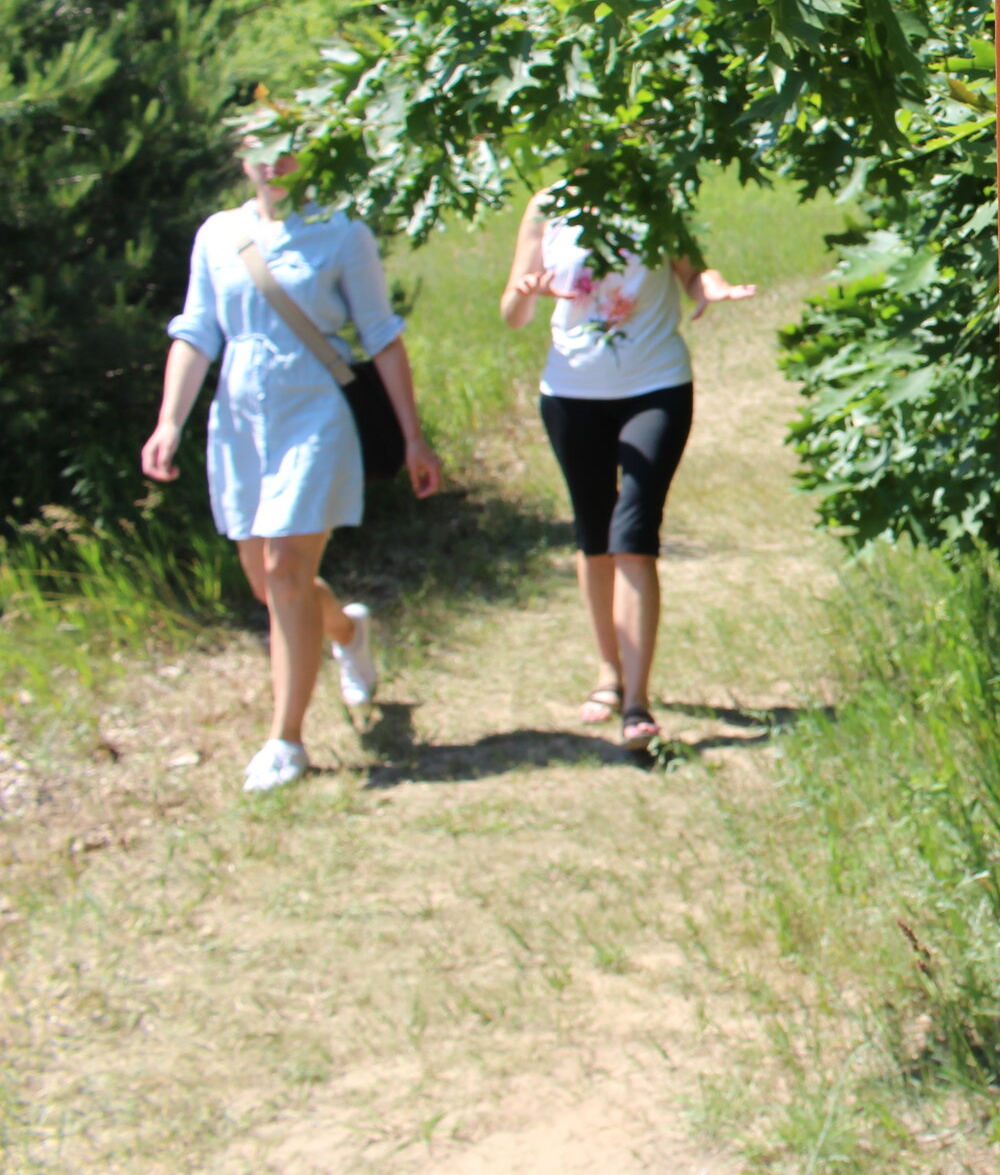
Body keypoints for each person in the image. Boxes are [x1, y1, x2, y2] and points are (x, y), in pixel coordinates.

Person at [141, 147, 443, 793]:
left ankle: (286, 740)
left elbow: (381, 334)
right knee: (270, 582)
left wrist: (414, 439)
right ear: (239, 157)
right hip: (240, 421)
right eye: (260, 151)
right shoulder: (219, 234)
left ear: (308, 153)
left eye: (287, 149)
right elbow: (196, 333)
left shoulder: (342, 232)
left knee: (285, 569)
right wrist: (169, 421)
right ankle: (347, 629)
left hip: (315, 411)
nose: (274, 164)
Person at [500, 192, 752, 751]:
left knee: (633, 534)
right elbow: (512, 312)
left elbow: (693, 272)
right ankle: (608, 674)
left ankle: (637, 704)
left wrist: (712, 288)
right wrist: (527, 294)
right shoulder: (547, 206)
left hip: (655, 387)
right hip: (571, 392)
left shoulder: (656, 191)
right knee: (594, 536)